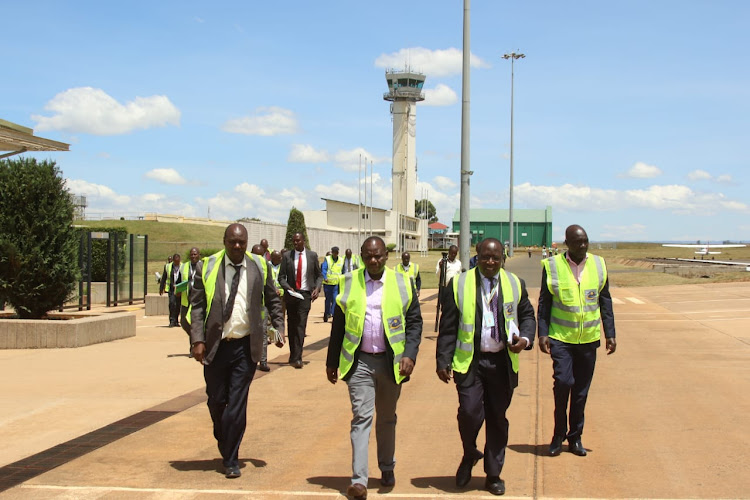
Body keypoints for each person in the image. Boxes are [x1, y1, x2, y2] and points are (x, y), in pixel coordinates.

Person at [436, 238, 536, 496]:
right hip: (470, 362)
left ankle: (493, 474)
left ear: (503, 258)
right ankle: (470, 453)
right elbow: (448, 326)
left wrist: (524, 339)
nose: (490, 262)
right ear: (476, 257)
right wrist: (442, 360)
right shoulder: (458, 284)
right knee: (469, 413)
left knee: (497, 418)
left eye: (496, 258)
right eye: (485, 257)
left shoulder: (514, 283)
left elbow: (527, 315)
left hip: (502, 362)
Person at [326, 236, 423, 500]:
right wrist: (331, 361)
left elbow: (414, 323)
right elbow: (338, 328)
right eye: (368, 256)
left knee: (387, 418)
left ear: (386, 256)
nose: (373, 261)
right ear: (361, 256)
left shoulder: (403, 283)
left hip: (392, 363)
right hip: (359, 363)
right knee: (361, 418)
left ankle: (387, 466)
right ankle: (359, 481)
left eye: (378, 256)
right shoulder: (348, 283)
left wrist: (410, 355)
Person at [189, 223, 284, 479]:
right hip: (216, 346)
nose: (237, 246)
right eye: (232, 241)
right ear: (224, 241)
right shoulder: (207, 266)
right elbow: (196, 306)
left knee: (237, 405)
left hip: (245, 345)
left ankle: (231, 458)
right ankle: (224, 438)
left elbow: (273, 299)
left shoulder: (259, 266)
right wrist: (197, 339)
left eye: (241, 242)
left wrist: (278, 326)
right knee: (216, 400)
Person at [537, 225, 616, 457]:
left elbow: (605, 301)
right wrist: (542, 333)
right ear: (567, 243)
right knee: (563, 384)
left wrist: (610, 333)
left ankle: (575, 438)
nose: (583, 245)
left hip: (589, 340)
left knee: (580, 392)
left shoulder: (599, 265)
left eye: (585, 241)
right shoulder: (552, 266)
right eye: (577, 242)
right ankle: (557, 435)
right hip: (561, 338)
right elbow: (545, 302)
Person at [279, 232, 322, 368]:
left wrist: (317, 288)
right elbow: (281, 277)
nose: (296, 243)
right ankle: (293, 354)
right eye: (294, 241)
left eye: (298, 241)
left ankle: (298, 357)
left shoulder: (312, 256)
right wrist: (288, 288)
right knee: (292, 325)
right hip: (292, 295)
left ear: (303, 241)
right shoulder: (287, 256)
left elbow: (319, 276)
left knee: (301, 325)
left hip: (305, 295)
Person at [250, 244, 271, 372]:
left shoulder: (265, 265)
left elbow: (269, 287)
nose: (258, 258)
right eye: (255, 255)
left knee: (263, 333)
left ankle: (263, 361)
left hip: (261, 306)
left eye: (260, 255)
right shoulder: (245, 264)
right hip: (247, 308)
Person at [180, 247, 201, 342]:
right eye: (191, 254)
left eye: (195, 254)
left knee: (195, 323)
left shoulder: (203, 266)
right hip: (186, 300)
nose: (193, 256)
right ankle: (194, 339)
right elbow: (179, 282)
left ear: (199, 255)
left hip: (198, 299)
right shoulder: (184, 266)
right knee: (184, 323)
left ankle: (194, 346)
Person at [160, 253, 184, 327]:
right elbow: (164, 277)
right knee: (172, 304)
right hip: (171, 289)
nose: (177, 263)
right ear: (173, 261)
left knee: (178, 305)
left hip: (180, 289)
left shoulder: (183, 266)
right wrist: (161, 288)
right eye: (175, 261)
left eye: (178, 261)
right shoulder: (168, 267)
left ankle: (176, 320)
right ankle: (172, 320)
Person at [321, 246, 344, 322]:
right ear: (332, 252)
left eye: (337, 252)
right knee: (328, 300)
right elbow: (324, 269)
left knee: (335, 299)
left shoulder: (341, 260)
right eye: (334, 252)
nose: (335, 254)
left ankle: (333, 314)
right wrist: (325, 277)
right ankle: (326, 313)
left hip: (336, 284)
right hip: (328, 284)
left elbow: (343, 271)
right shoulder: (327, 259)